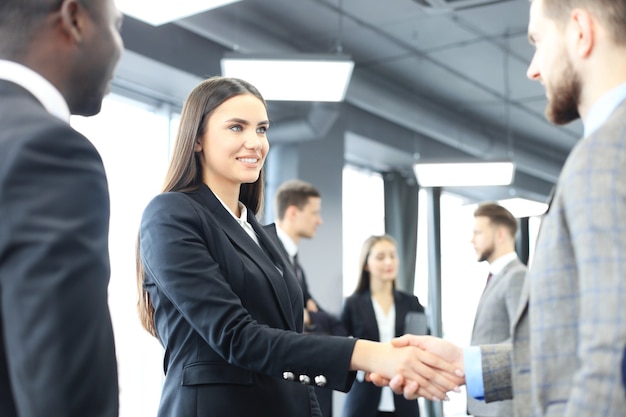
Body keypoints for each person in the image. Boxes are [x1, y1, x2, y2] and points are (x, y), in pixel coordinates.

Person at [135, 76, 464, 417]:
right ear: (198, 138)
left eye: (261, 129)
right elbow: (236, 336)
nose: (255, 142)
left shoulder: (258, 232)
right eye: (236, 128)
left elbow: (288, 351)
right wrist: (369, 354)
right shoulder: (171, 213)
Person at [371, 0, 626, 415]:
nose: (533, 69)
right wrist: (463, 363)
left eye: (538, 42)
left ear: (580, 31)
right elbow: (569, 348)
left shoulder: (606, 154)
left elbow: (613, 354)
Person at [0, 1, 123, 416]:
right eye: (116, 26)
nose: (118, 48)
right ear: (74, 19)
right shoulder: (47, 151)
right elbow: (65, 395)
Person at [264, 179, 347, 417]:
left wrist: (309, 315)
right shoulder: (268, 253)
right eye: (314, 213)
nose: (319, 220)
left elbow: (320, 319)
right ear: (292, 212)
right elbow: (285, 317)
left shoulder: (294, 262)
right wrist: (308, 315)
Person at [341, 235, 427, 417]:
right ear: (366, 264)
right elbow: (341, 345)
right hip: (363, 401)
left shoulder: (412, 303)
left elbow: (424, 343)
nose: (388, 262)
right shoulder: (353, 304)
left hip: (404, 400)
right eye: (380, 257)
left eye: (392, 256)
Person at [467, 203, 526, 417]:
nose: (472, 239)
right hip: (488, 404)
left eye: (478, 232)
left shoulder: (517, 277)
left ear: (500, 234)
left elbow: (523, 341)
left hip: (502, 407)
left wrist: (467, 360)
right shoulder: (496, 277)